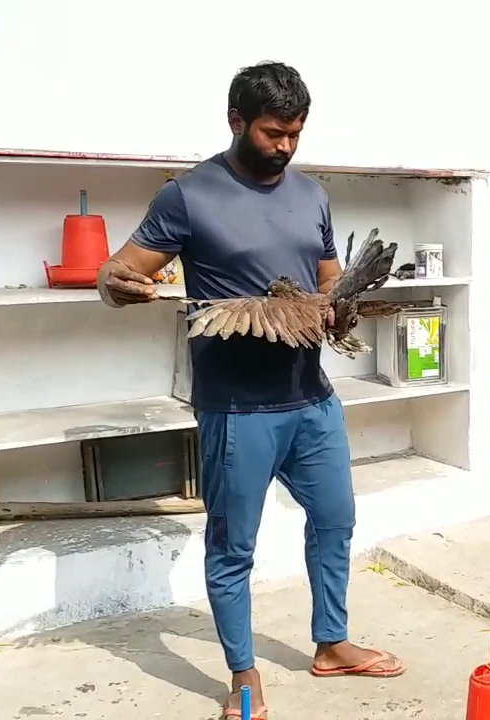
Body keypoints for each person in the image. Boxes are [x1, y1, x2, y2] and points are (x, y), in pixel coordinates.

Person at [96, 61, 405, 719]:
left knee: (335, 521)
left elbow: (327, 275)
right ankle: (243, 674)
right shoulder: (188, 195)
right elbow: (120, 270)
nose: (285, 146)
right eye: (272, 133)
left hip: (312, 398)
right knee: (233, 548)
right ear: (236, 121)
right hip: (239, 409)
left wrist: (339, 302)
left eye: (295, 133)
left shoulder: (312, 195)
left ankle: (331, 642)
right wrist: (113, 282)